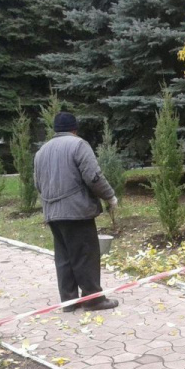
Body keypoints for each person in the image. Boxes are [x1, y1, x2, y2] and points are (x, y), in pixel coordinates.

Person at [34, 112, 120, 312]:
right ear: (75, 129)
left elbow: (38, 184)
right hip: (76, 211)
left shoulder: (41, 152)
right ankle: (93, 299)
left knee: (63, 257)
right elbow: (94, 177)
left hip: (52, 213)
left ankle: (69, 301)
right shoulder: (78, 145)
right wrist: (110, 196)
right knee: (86, 255)